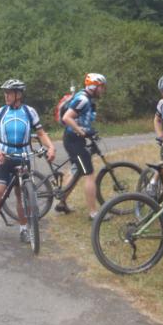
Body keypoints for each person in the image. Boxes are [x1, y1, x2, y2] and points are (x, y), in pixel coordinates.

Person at [0, 79, 56, 249]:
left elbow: (41, 133)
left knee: (22, 195)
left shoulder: (29, 112)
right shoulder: (0, 113)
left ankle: (24, 230)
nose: (6, 96)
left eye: (9, 93)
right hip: (4, 158)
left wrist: (51, 147)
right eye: (5, 93)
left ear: (18, 94)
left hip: (23, 158)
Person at [59, 73, 106, 218]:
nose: (103, 90)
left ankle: (61, 202)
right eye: (101, 87)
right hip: (74, 141)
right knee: (89, 174)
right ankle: (93, 213)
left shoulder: (87, 99)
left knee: (77, 171)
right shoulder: (83, 99)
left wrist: (87, 131)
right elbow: (67, 118)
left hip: (75, 140)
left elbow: (81, 119)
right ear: (93, 87)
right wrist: (81, 131)